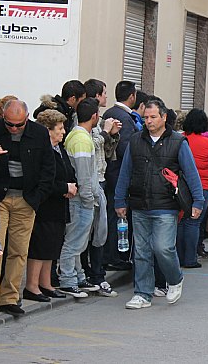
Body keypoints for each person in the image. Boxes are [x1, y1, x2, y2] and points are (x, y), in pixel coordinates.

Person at [115, 99, 204, 310]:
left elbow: (191, 173)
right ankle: (143, 294)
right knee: (141, 251)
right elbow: (126, 172)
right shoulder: (136, 141)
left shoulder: (178, 142)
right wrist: (120, 200)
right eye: (146, 117)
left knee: (163, 247)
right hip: (139, 204)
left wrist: (198, 200)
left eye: (153, 117)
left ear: (164, 117)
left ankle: (175, 278)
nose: (149, 121)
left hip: (166, 204)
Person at [0, 100, 56, 316]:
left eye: (18, 125)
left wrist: (37, 197)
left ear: (27, 117)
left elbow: (49, 168)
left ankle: (9, 297)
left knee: (19, 251)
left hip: (26, 199)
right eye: (9, 124)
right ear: (3, 118)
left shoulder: (39, 134)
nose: (13, 129)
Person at [23, 110, 76, 302]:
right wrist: (64, 187)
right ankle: (32, 286)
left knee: (52, 246)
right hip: (45, 206)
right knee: (40, 246)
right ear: (48, 130)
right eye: (59, 129)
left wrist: (71, 185)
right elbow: (42, 179)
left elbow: (67, 171)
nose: (63, 133)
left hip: (59, 206)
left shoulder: (59, 149)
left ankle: (46, 284)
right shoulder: (39, 150)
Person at [80, 79, 121, 297]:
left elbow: (104, 152)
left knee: (99, 231)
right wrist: (106, 133)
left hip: (100, 180)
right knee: (87, 233)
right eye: (104, 93)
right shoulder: (80, 131)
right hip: (90, 183)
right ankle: (90, 274)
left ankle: (96, 273)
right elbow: (91, 146)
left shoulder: (98, 126)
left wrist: (112, 135)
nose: (106, 98)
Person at [60, 98, 102, 298]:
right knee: (74, 242)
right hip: (81, 199)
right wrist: (88, 199)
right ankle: (68, 280)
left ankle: (77, 277)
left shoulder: (75, 135)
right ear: (94, 116)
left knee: (78, 242)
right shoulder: (82, 140)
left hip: (79, 196)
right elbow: (84, 175)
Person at [103, 81, 139, 271]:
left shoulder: (110, 113)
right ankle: (114, 256)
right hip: (117, 174)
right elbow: (125, 149)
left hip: (110, 172)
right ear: (132, 96)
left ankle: (112, 255)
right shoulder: (124, 118)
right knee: (117, 216)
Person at [178, 109, 208, 268]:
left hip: (181, 186)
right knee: (194, 223)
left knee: (181, 222)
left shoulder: (181, 139)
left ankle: (179, 257)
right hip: (202, 186)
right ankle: (190, 258)